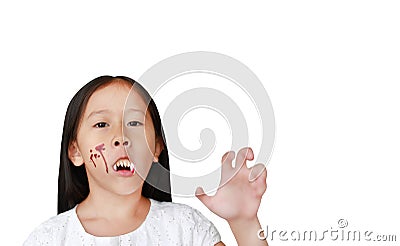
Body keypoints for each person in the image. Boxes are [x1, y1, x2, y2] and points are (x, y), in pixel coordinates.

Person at [24, 76, 268, 245]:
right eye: (101, 124)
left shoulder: (184, 228)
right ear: (75, 151)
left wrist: (244, 221)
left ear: (156, 149)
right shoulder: (49, 238)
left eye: (134, 123)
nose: (121, 137)